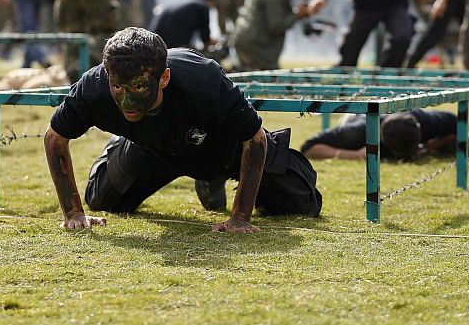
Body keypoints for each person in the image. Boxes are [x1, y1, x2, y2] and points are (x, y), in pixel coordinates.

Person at [43, 27, 322, 232]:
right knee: (102, 199)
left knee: (303, 200)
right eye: (118, 86)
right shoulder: (93, 87)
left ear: (163, 78)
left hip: (221, 146)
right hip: (151, 147)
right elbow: (55, 138)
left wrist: (240, 217)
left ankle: (211, 179)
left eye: (139, 86)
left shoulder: (203, 78)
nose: (126, 101)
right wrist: (72, 213)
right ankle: (120, 145)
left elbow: (255, 138)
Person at [301, 109, 469, 161]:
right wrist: (353, 155)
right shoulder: (358, 132)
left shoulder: (425, 121)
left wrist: (430, 147)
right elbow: (309, 148)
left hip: (398, 114)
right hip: (357, 116)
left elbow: (458, 124)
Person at [232, 0, 311, 70]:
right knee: (270, 76)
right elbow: (277, 25)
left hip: (249, 38)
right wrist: (298, 14)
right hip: (255, 43)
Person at [150, 0, 214, 49]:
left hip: (155, 43)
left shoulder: (179, 1)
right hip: (173, 46)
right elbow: (205, 38)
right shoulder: (202, 5)